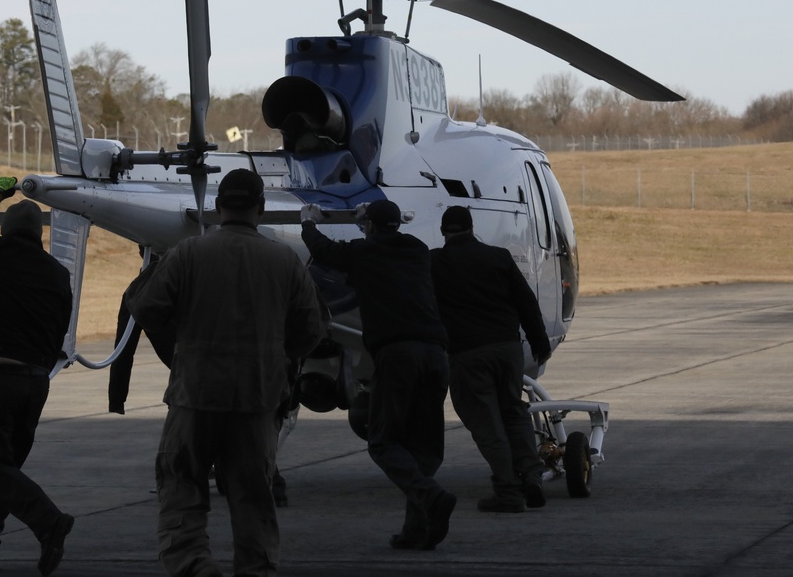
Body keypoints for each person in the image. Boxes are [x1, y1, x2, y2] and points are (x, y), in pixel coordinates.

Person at [127, 169, 327, 577]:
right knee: (254, 497)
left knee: (182, 487)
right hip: (257, 399)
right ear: (262, 208)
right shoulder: (285, 261)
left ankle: (195, 567)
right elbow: (312, 330)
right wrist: (280, 360)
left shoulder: (187, 255)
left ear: (218, 209)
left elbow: (145, 308)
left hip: (194, 396)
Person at [300, 199, 456, 551]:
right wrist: (366, 221)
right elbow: (381, 244)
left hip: (399, 355)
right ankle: (417, 530)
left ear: (368, 226)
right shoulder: (416, 249)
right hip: (436, 354)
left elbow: (323, 250)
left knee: (384, 442)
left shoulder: (363, 253)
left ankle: (430, 497)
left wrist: (308, 222)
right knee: (424, 448)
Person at [0, 176, 75, 576]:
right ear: (38, 234)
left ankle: (49, 522)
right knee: (5, 470)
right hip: (35, 384)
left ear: (6, 231)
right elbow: (60, 329)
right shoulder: (58, 274)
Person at [430, 205, 552, 513]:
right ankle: (532, 475)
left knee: (486, 422)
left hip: (469, 354)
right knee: (513, 411)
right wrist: (539, 344)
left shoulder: (434, 262)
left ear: (444, 231)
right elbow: (526, 302)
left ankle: (508, 492)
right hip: (508, 350)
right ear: (472, 228)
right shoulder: (499, 257)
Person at [108, 248, 174, 415]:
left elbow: (123, 349)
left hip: (183, 377)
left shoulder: (136, 291)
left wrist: (117, 399)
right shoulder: (190, 280)